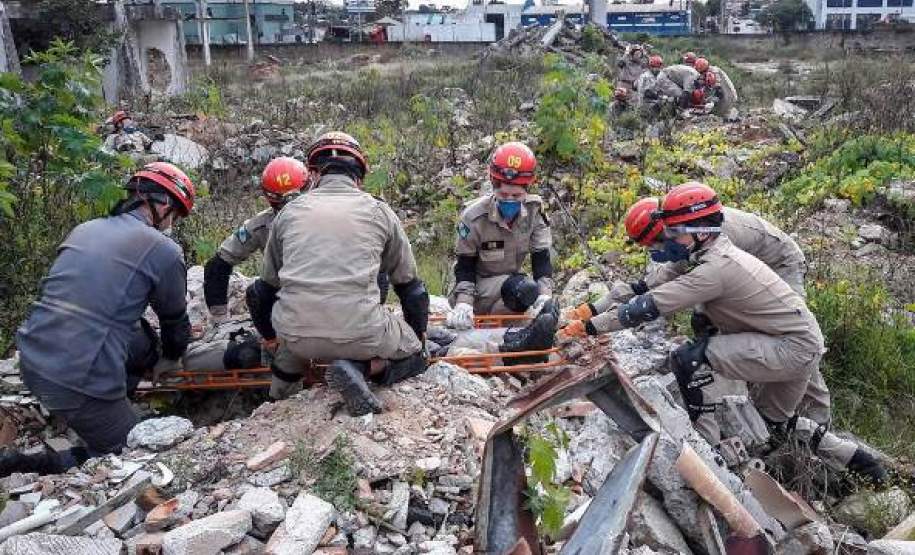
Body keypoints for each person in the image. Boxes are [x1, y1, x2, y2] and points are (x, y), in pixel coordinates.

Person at [560, 183, 887, 484]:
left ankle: (710, 448)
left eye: (672, 234)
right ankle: (859, 461)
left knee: (692, 359)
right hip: (788, 332)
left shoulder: (716, 256)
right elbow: (648, 285)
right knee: (770, 422)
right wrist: (593, 308)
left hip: (787, 313)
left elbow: (650, 305)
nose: (668, 242)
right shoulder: (705, 245)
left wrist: (589, 327)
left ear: (698, 231)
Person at [8, 162, 195, 476]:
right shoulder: (164, 249)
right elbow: (175, 322)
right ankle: (28, 466)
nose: (172, 223)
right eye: (175, 215)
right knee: (135, 459)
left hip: (32, 358)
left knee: (141, 338)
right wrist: (172, 358)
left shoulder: (86, 229)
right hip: (76, 379)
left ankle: (111, 405)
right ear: (163, 205)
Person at [249, 132, 429, 417]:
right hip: (361, 333)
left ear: (314, 175)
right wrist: (419, 337)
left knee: (291, 349)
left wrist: (272, 338)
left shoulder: (289, 212)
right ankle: (362, 368)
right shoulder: (379, 212)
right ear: (359, 177)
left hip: (296, 337)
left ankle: (273, 406)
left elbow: (262, 291)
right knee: (416, 353)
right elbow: (411, 288)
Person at [447, 142, 553, 326]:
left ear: (527, 190)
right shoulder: (474, 218)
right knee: (522, 288)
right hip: (477, 287)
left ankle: (492, 329)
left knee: (529, 297)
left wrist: (545, 296)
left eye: (516, 196)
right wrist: (463, 303)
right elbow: (464, 267)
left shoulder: (534, 212)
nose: (510, 200)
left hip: (511, 290)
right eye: (503, 195)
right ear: (494, 187)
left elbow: (541, 259)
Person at [203, 157, 309, 324]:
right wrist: (219, 318)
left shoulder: (333, 214)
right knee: (258, 292)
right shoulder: (260, 226)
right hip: (290, 300)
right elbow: (219, 263)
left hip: (325, 294)